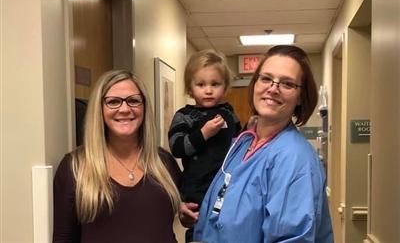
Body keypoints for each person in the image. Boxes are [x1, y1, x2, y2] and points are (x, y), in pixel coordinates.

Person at [183, 45, 333, 242]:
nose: (273, 88)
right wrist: (199, 214)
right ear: (255, 84)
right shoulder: (243, 142)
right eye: (266, 78)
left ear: (300, 97)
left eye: (287, 84)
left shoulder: (295, 159)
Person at [53, 70, 181, 243]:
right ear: (99, 109)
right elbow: (63, 238)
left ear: (144, 107)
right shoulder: (75, 167)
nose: (124, 109)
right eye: (113, 102)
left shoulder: (164, 162)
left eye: (133, 101)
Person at [168, 49, 241, 242]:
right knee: (199, 229)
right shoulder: (184, 115)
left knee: (226, 228)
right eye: (201, 84)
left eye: (215, 84)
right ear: (190, 88)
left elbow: (240, 142)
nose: (208, 90)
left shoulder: (229, 113)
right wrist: (204, 133)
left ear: (224, 87)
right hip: (196, 188)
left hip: (228, 185)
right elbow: (177, 147)